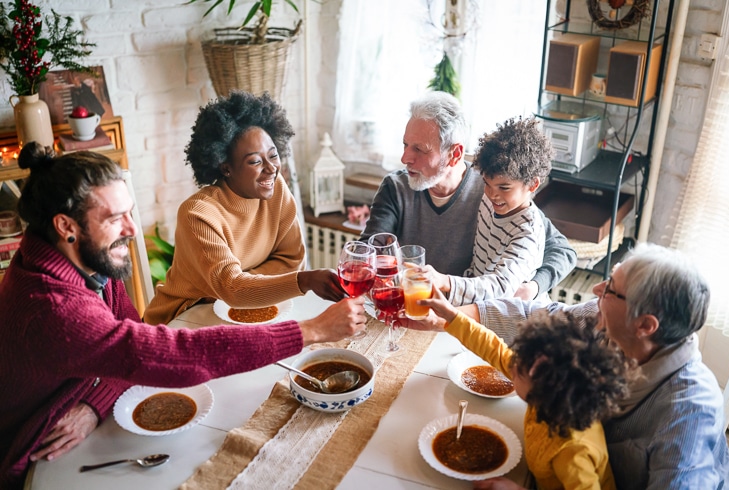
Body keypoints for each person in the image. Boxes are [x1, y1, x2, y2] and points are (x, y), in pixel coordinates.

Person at [0, 144, 367, 489]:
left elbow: (131, 340)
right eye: (115, 219)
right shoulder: (52, 305)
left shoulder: (81, 261)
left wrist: (94, 403)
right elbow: (172, 355)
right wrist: (313, 329)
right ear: (67, 227)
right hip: (35, 454)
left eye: (131, 212)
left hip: (83, 412)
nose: (131, 231)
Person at [410, 243, 729, 489]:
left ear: (645, 325)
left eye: (610, 289)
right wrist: (452, 315)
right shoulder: (602, 323)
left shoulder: (691, 413)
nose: (596, 290)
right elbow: (532, 317)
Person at [144, 92, 344, 325]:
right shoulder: (198, 214)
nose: (271, 169)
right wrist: (301, 281)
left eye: (273, 155)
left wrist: (245, 284)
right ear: (226, 168)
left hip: (247, 312)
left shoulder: (276, 190)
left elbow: (293, 260)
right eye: (255, 161)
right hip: (186, 317)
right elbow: (233, 289)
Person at [360, 91, 576, 301]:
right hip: (418, 306)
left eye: (420, 149)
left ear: (455, 154)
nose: (405, 157)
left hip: (467, 314)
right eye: (406, 145)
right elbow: (370, 251)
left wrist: (534, 287)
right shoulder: (395, 187)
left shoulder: (492, 189)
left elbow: (561, 250)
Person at [426, 288, 632, 489]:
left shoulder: (573, 450)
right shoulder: (548, 388)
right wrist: (451, 315)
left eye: (518, 370)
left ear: (542, 387)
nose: (511, 365)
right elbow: (494, 349)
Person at [429, 116, 553, 306]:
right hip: (481, 302)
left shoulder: (527, 233)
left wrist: (444, 281)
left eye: (504, 188)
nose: (492, 195)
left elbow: (500, 287)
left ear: (533, 184)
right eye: (487, 184)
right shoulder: (490, 199)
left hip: (515, 319)